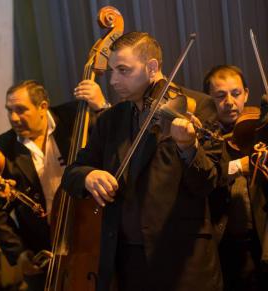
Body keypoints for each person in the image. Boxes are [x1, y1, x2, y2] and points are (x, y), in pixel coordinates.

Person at [62, 32, 221, 291]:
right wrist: (89, 176)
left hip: (183, 261)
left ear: (152, 68)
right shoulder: (110, 119)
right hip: (126, 261)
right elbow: (72, 173)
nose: (113, 81)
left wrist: (188, 147)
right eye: (112, 71)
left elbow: (210, 182)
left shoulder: (197, 106)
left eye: (123, 70)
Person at [0, 80, 107, 291]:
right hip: (42, 252)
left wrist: (101, 107)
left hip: (89, 235)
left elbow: (111, 140)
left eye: (21, 110)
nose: (14, 118)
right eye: (10, 111)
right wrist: (19, 253)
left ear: (43, 107)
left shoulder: (74, 117)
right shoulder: (3, 146)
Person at [202, 65, 268, 290]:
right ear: (209, 99)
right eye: (220, 96)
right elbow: (203, 177)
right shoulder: (204, 138)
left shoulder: (262, 128)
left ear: (247, 94)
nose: (229, 101)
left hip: (262, 240)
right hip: (225, 245)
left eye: (236, 93)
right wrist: (237, 166)